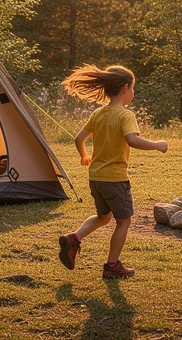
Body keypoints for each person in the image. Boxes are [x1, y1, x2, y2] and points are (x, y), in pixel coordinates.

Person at [57, 64, 168, 279]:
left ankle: (74, 239)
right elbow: (132, 140)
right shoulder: (125, 115)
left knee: (103, 216)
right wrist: (157, 144)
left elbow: (79, 139)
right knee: (123, 221)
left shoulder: (98, 113)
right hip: (115, 179)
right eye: (133, 88)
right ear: (125, 88)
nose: (133, 93)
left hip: (96, 178)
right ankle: (112, 266)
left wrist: (84, 155)